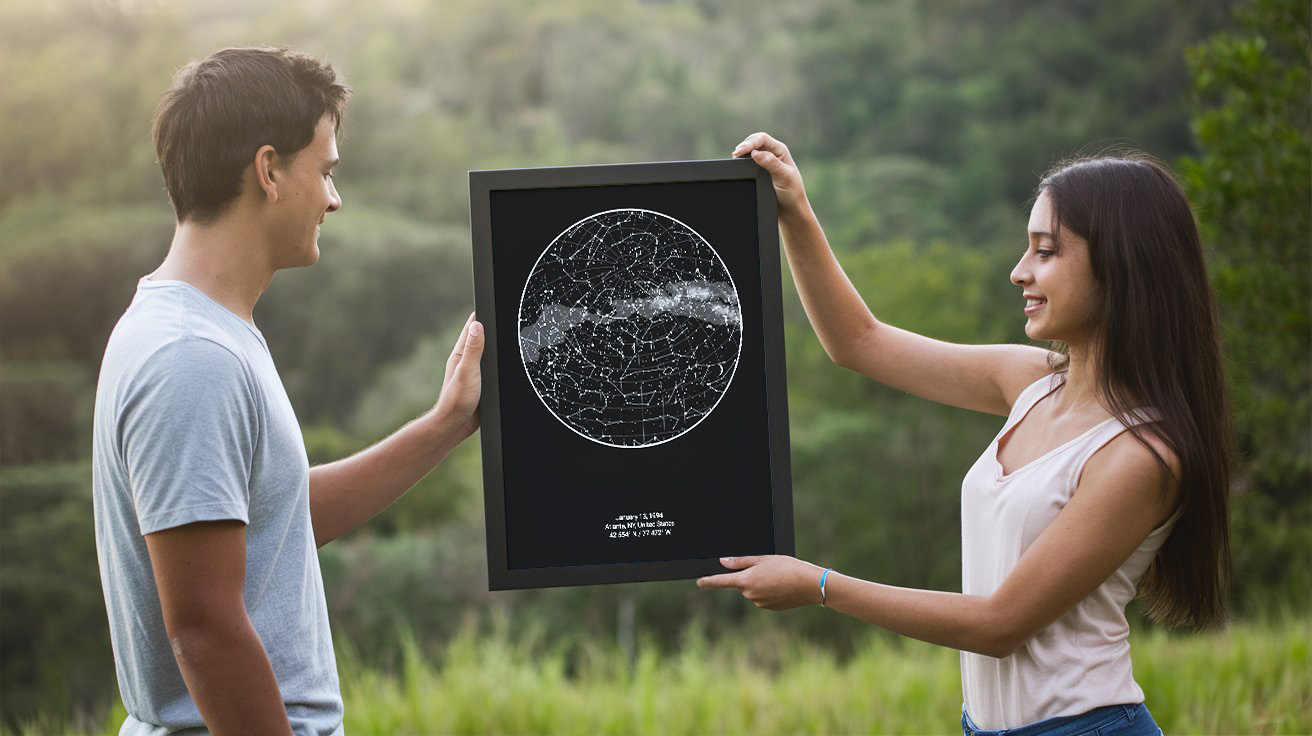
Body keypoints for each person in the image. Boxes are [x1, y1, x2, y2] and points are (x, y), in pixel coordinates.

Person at [699, 133, 1232, 735]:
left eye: (1046, 251)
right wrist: (794, 210)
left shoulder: (1140, 455)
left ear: (1123, 265)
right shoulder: (1032, 382)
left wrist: (820, 585)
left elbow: (999, 625)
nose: (1019, 271)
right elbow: (859, 343)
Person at [91, 47, 483, 735]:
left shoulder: (204, 331)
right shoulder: (192, 358)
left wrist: (445, 423)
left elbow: (274, 520)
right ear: (268, 170)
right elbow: (205, 632)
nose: (335, 198)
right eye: (326, 170)